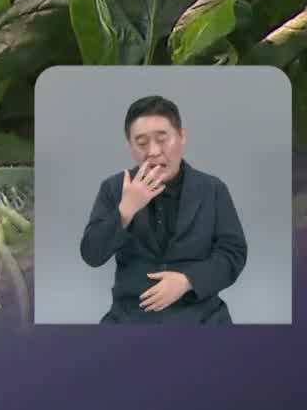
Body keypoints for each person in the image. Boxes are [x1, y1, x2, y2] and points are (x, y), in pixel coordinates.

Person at [77, 95, 249, 324]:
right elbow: (92, 254)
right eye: (141, 143)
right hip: (130, 318)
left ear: (182, 136)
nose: (154, 151)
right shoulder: (114, 188)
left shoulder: (212, 189)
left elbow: (233, 253)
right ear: (130, 147)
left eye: (162, 139)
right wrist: (125, 211)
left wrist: (188, 280)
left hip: (202, 317)